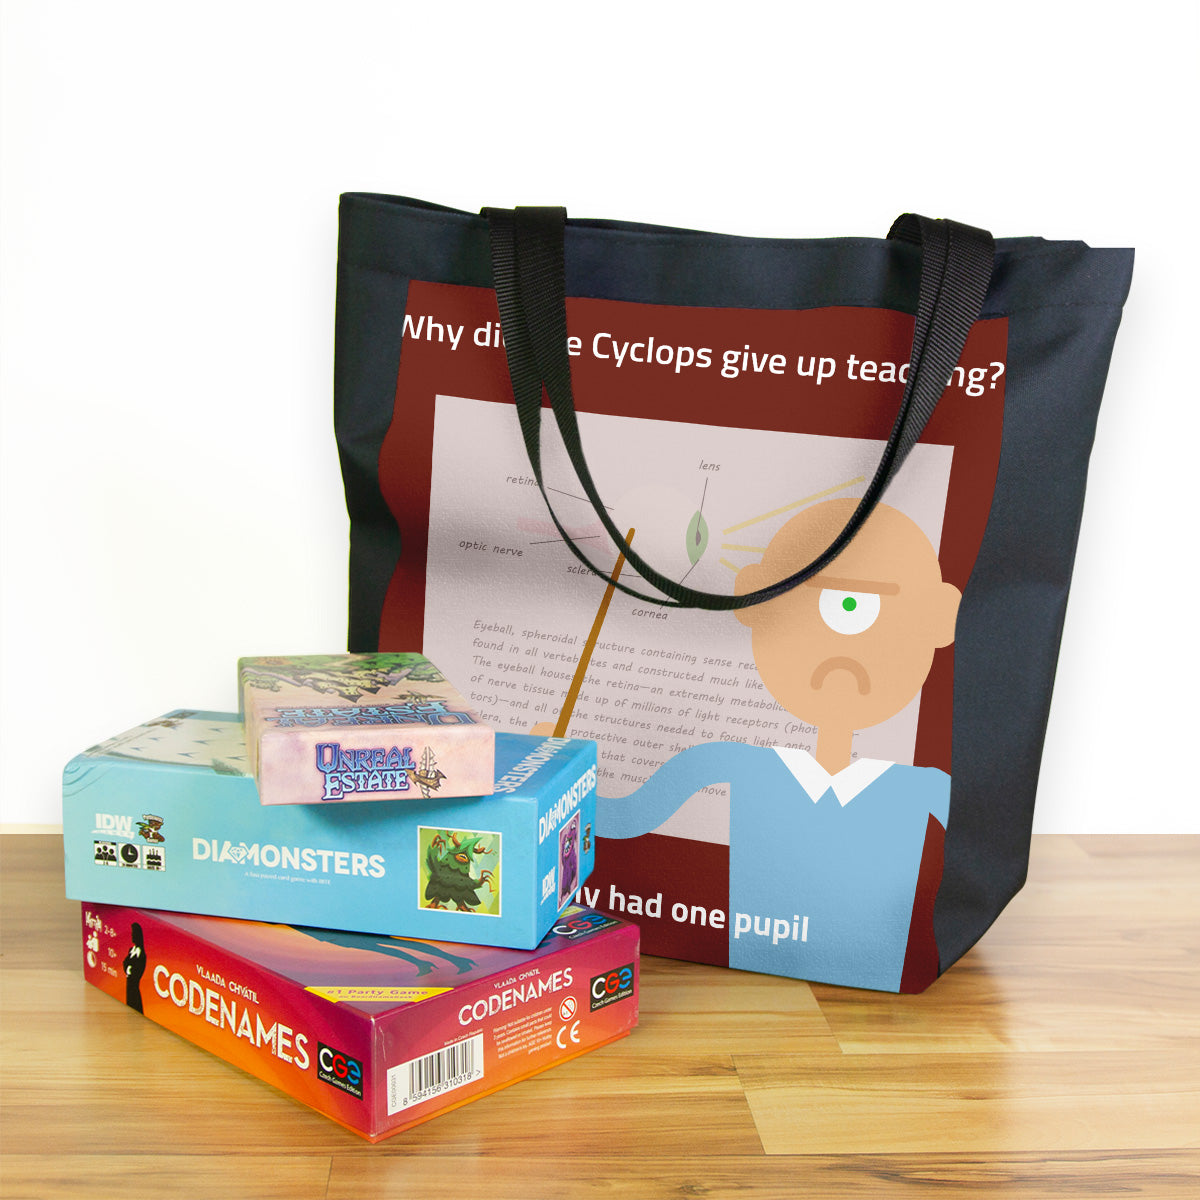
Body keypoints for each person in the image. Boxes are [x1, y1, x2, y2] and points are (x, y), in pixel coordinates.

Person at [597, 499, 961, 992]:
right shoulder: (732, 761)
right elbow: (623, 818)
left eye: (858, 607)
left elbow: (980, 849)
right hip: (737, 984)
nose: (840, 652)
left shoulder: (921, 788)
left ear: (939, 620)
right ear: (755, 606)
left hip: (870, 995)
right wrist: (552, 768)